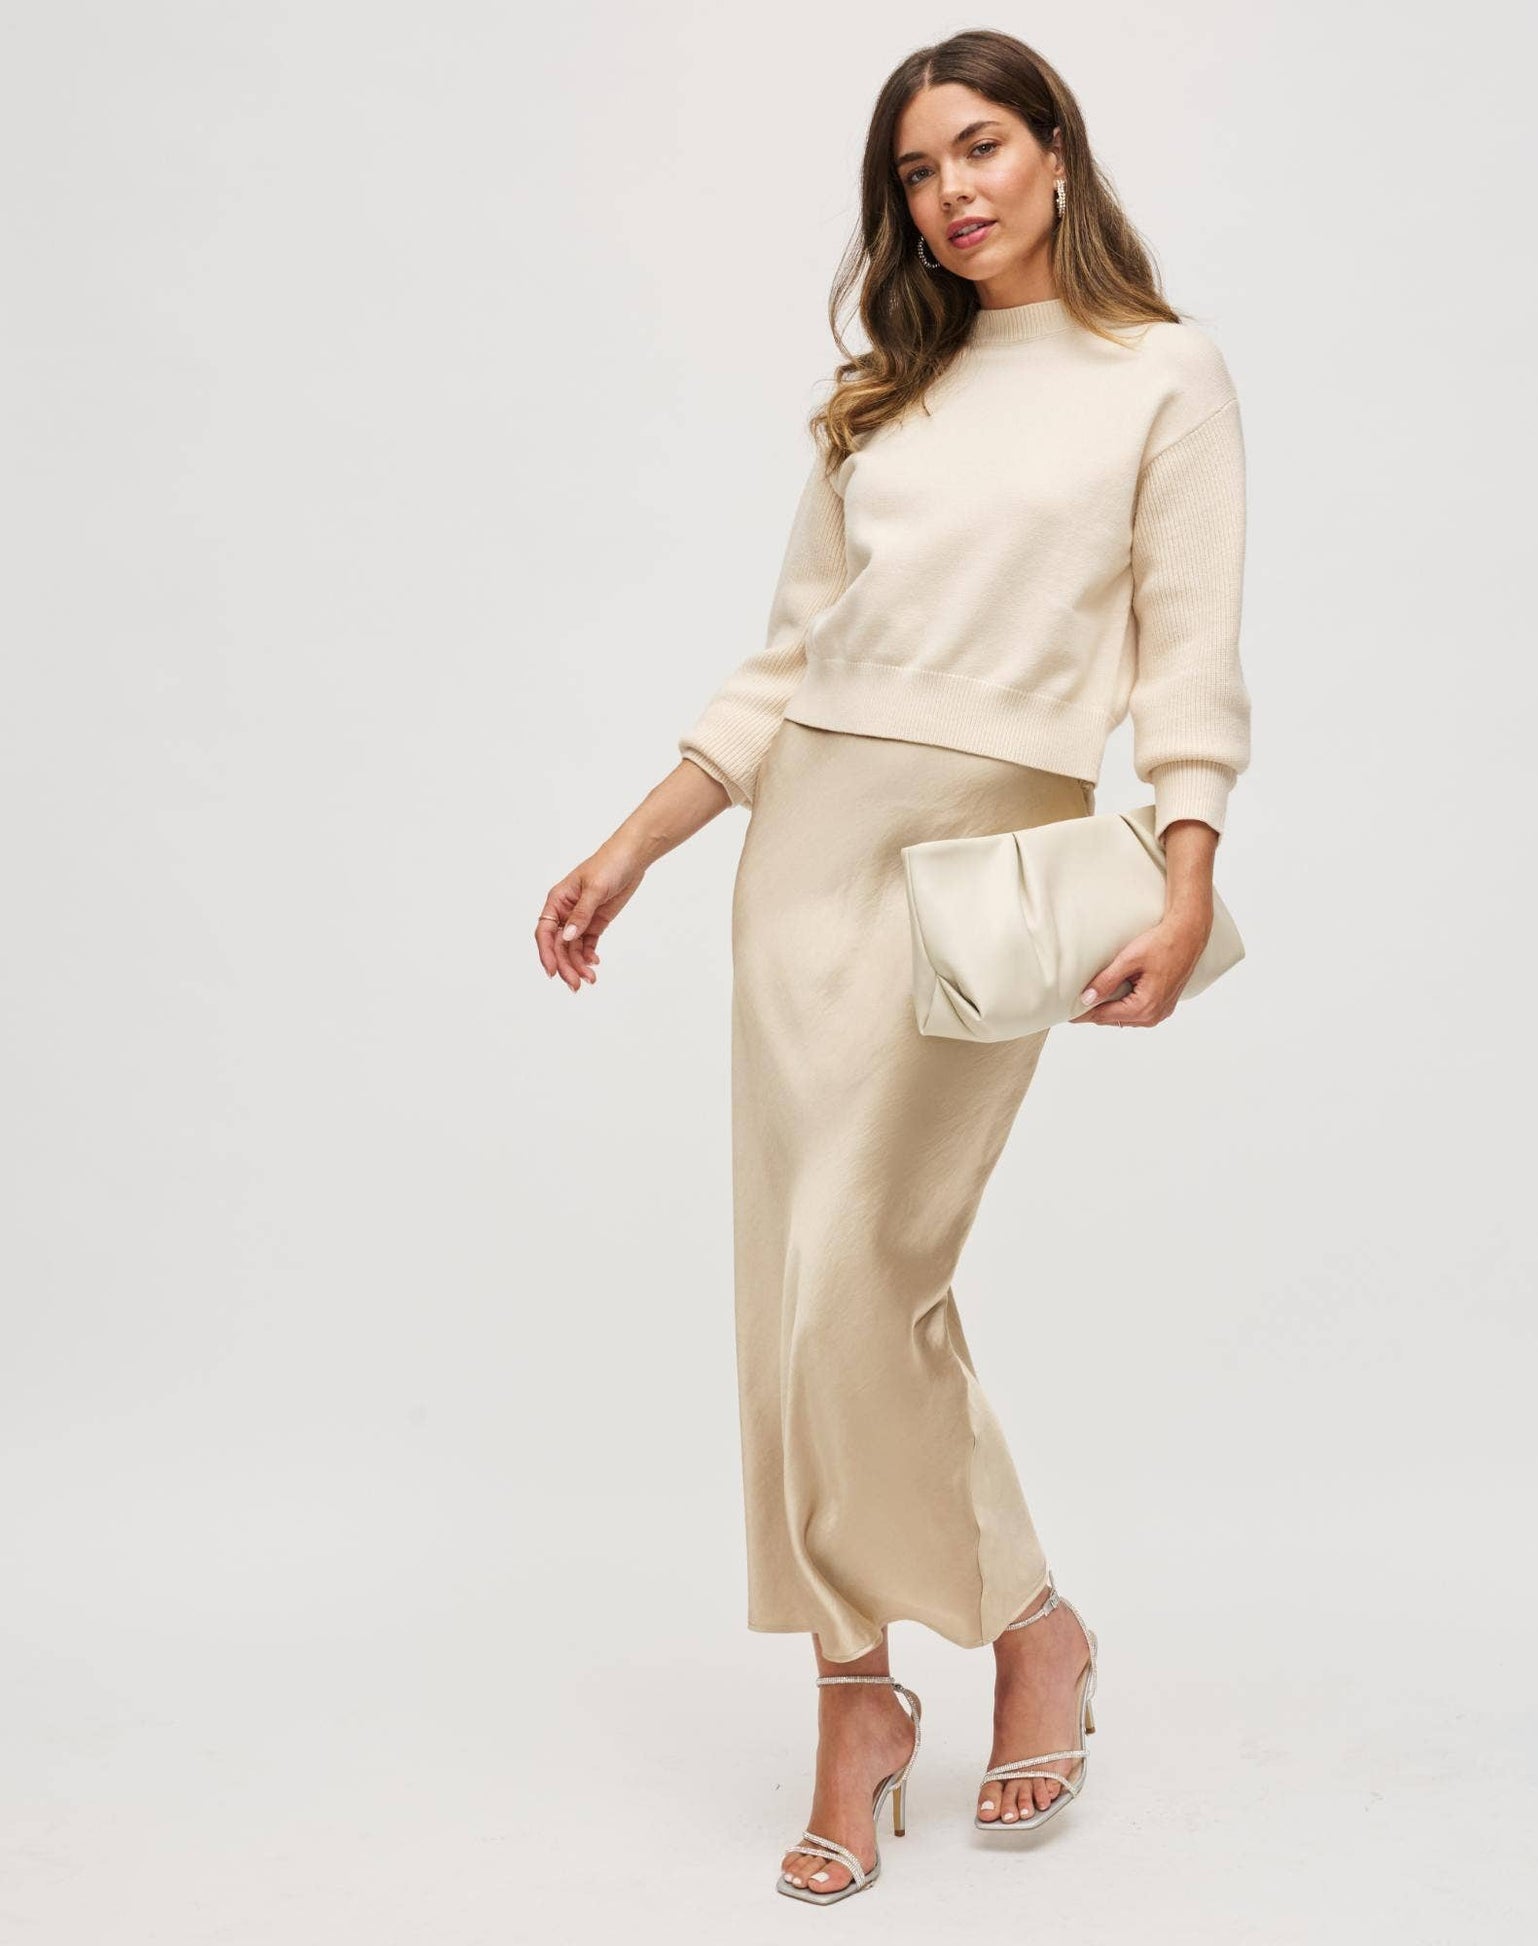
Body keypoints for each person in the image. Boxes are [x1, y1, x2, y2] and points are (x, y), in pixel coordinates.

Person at [534, 29, 1250, 1906]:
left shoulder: (1160, 374)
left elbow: (1187, 648)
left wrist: (1187, 865)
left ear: (1056, 152)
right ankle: (855, 1703)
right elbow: (786, 663)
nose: (952, 193)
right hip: (806, 857)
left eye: (981, 148)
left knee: (865, 1269)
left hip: (983, 860)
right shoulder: (880, 401)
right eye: (919, 172)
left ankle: (1029, 1621)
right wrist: (632, 841)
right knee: (792, 1289)